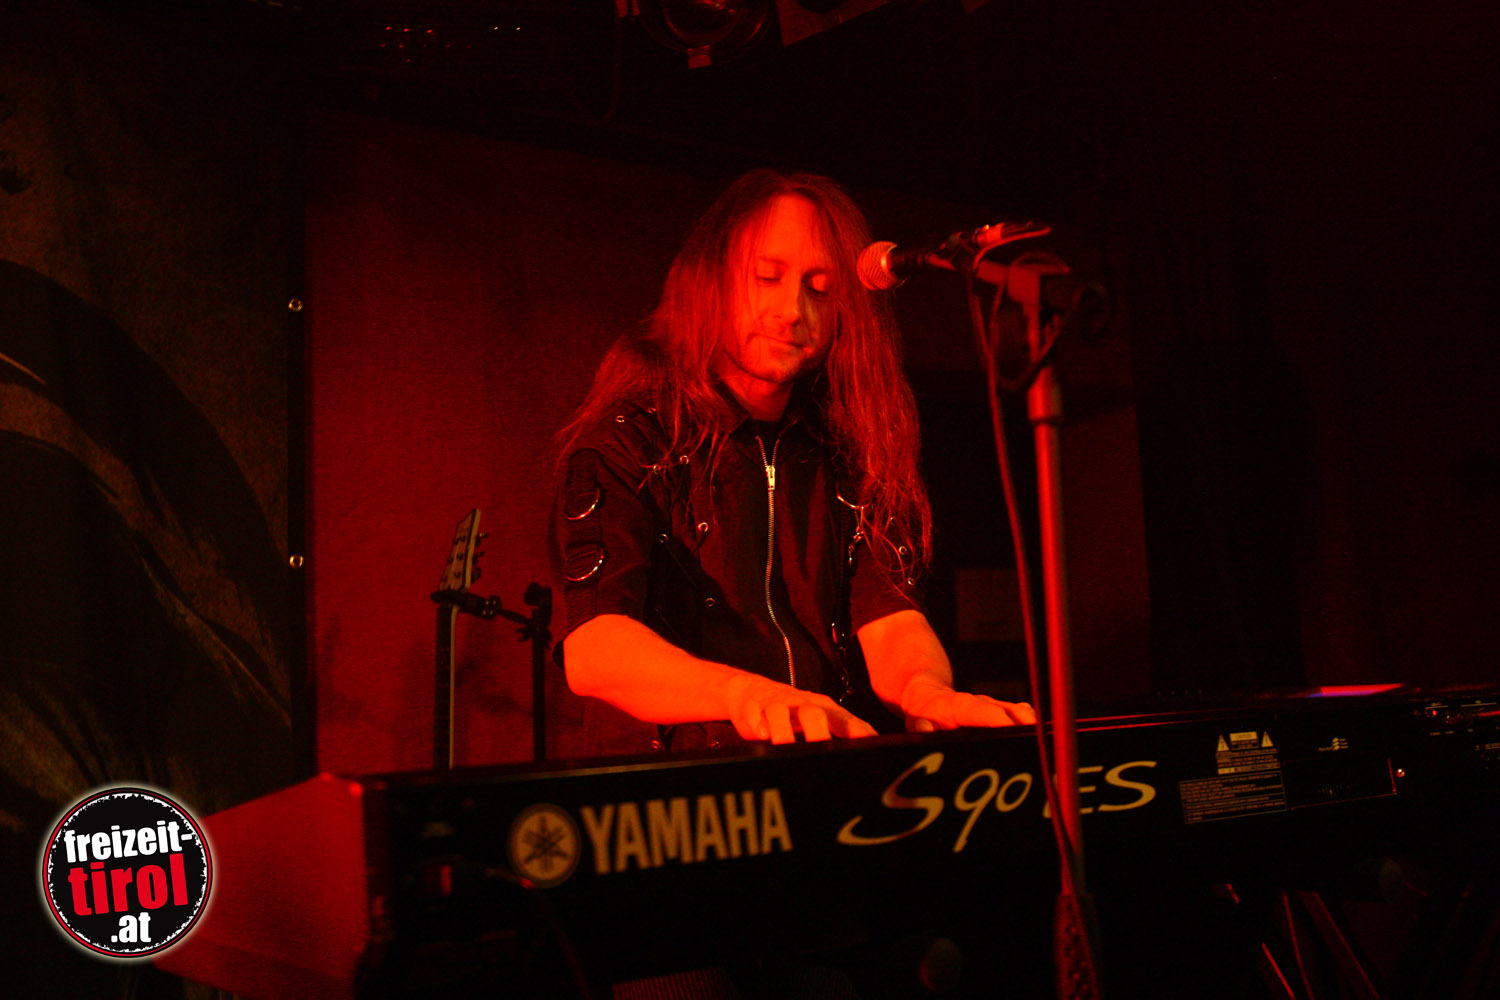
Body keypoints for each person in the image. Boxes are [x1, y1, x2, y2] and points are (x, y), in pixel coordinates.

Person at [550, 169, 1034, 755]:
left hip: (819, 767)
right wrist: (749, 695)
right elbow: (596, 648)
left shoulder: (849, 446)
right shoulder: (627, 441)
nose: (792, 310)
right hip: (676, 784)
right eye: (767, 278)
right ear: (710, 281)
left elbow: (888, 614)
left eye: (820, 290)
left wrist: (926, 692)